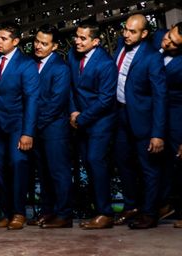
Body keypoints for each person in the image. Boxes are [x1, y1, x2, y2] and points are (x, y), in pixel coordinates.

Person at [112, 14, 167, 229]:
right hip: (120, 116)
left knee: (148, 168)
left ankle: (150, 213)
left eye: (132, 31)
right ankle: (131, 207)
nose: (126, 34)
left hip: (143, 119)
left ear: (144, 34)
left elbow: (160, 97)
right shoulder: (120, 45)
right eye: (125, 29)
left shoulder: (152, 57)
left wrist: (157, 133)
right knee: (123, 164)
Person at [68, 21, 117, 230]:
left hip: (100, 122)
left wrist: (81, 118)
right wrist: (73, 112)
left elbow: (106, 100)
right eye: (76, 36)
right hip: (79, 118)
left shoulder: (105, 64)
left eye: (83, 38)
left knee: (96, 161)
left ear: (95, 41)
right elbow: (70, 87)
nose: (77, 41)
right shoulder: (72, 54)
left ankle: (105, 213)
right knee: (89, 164)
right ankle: (96, 209)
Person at [0, 22, 39, 230]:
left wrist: (27, 132)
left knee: (18, 165)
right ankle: (7, 212)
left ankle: (19, 212)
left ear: (16, 41)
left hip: (17, 125)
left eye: (3, 38)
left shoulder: (26, 64)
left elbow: (31, 98)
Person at [31, 25, 73, 229]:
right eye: (37, 41)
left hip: (54, 128)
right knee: (44, 173)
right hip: (37, 129)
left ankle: (64, 215)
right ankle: (48, 212)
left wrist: (33, 124)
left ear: (55, 46)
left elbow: (57, 102)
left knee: (59, 172)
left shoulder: (61, 67)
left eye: (44, 43)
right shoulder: (32, 63)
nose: (38, 46)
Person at [156, 23, 182, 228]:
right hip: (155, 112)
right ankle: (164, 203)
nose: (167, 41)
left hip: (176, 112)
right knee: (159, 160)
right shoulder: (155, 38)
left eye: (174, 43)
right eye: (168, 36)